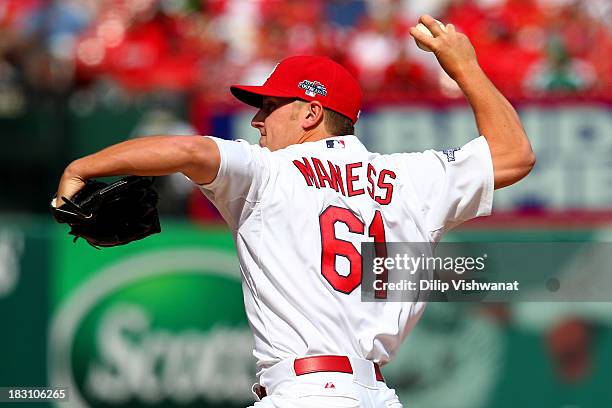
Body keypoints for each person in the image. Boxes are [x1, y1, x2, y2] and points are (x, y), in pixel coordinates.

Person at [56, 15, 535, 408]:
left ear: (310, 114)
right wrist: (465, 66)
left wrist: (83, 165)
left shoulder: (269, 173)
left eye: (269, 105)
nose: (256, 119)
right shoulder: (412, 178)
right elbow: (514, 155)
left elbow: (189, 150)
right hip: (376, 396)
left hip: (305, 393)